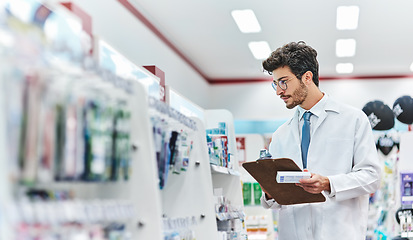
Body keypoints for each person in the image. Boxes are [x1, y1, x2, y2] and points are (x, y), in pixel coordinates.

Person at [260, 41, 381, 240]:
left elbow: (372, 177)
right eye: (275, 83)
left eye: (283, 82)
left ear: (307, 77)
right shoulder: (281, 135)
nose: (278, 91)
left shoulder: (353, 120)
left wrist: (328, 183)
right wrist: (270, 192)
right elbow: (278, 201)